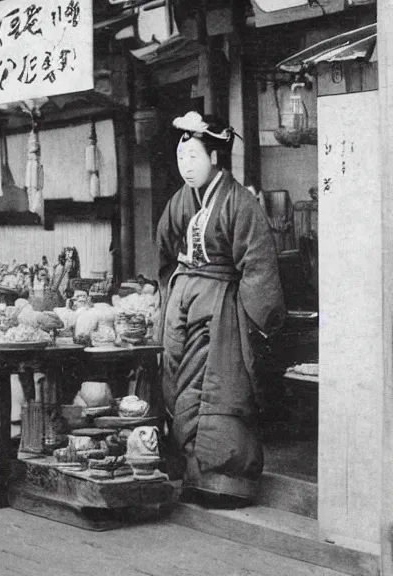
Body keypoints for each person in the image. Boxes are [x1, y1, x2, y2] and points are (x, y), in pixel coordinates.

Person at [156, 112, 286, 508]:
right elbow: (164, 247)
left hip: (221, 309)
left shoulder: (239, 202)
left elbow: (258, 264)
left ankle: (226, 483)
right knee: (180, 383)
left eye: (194, 157)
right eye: (182, 159)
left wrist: (255, 318)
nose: (186, 166)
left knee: (218, 387)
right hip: (184, 304)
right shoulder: (182, 200)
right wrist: (169, 292)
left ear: (215, 156)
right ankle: (192, 476)